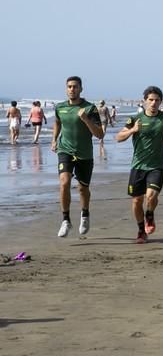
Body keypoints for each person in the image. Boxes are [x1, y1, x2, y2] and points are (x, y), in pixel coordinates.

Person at [116, 86, 163, 244]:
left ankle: (150, 214)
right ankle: (141, 230)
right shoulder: (135, 119)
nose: (153, 103)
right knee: (136, 201)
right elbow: (118, 137)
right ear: (145, 101)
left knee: (151, 195)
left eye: (156, 100)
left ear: (161, 102)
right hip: (138, 166)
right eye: (151, 100)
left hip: (157, 165)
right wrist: (132, 130)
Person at [52, 76, 104, 237]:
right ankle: (66, 220)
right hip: (65, 150)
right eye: (69, 87)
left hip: (84, 154)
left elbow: (100, 134)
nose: (71, 89)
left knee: (83, 188)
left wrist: (86, 119)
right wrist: (54, 140)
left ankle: (85, 214)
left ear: (81, 89)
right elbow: (58, 123)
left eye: (75, 87)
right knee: (64, 183)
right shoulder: (60, 107)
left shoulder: (90, 108)